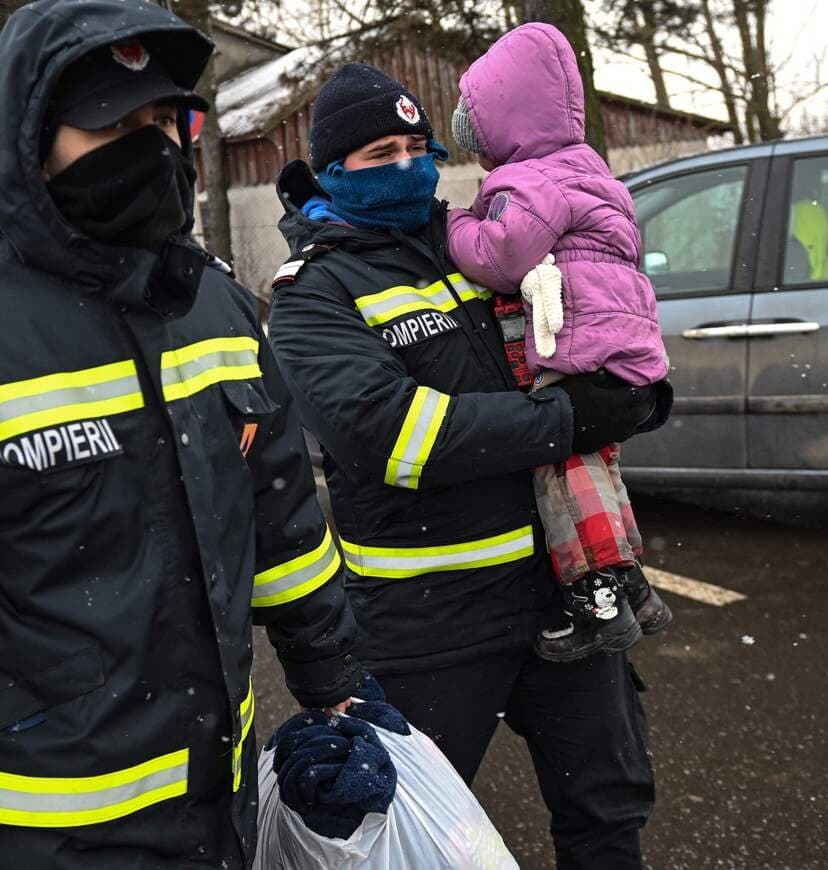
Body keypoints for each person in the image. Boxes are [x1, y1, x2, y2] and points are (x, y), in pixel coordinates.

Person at [266, 62, 656, 868]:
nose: (409, 165)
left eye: (419, 145)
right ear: (334, 172)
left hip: (566, 592)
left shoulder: (484, 242)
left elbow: (592, 324)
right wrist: (568, 419)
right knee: (422, 837)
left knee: (609, 809)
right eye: (381, 152)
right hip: (428, 621)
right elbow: (397, 437)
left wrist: (640, 390)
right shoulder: (313, 295)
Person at [0, 2, 360, 867]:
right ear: (29, 139)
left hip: (219, 803)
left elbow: (283, 525)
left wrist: (333, 685)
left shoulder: (216, 304)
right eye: (114, 126)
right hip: (52, 830)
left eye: (164, 120)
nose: (154, 147)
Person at [447, 23, 673, 662]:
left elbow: (501, 257)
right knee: (599, 462)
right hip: (620, 337)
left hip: (580, 344)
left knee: (563, 466)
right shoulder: (589, 168)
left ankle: (597, 596)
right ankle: (633, 582)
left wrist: (458, 224)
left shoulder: (536, 182)